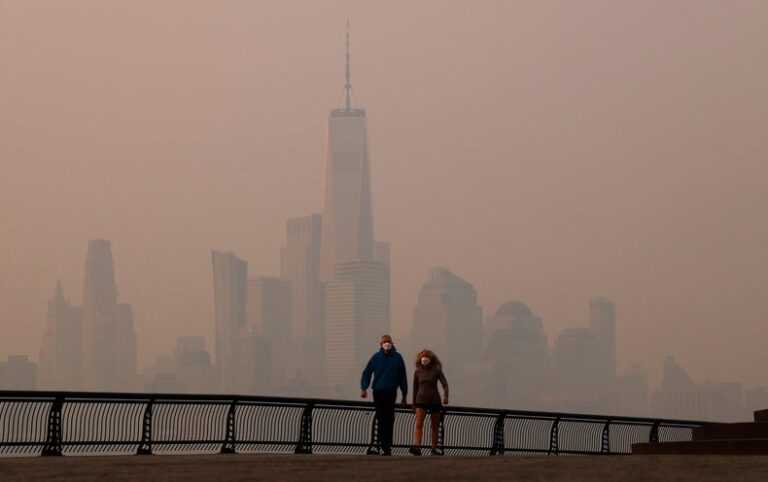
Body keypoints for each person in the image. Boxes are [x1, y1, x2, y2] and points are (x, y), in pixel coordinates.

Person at [361, 334, 408, 456]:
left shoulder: (398, 358)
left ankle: (386, 446)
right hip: (378, 392)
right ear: (381, 345)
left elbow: (403, 377)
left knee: (389, 419)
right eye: (385, 342)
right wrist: (364, 388)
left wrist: (404, 394)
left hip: (391, 392)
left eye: (389, 342)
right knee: (381, 419)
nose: (387, 344)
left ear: (392, 344)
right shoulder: (376, 358)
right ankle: (381, 445)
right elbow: (367, 373)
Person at [409, 349, 449, 456]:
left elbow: (445, 384)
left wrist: (446, 396)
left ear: (431, 360)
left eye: (426, 358)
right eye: (423, 358)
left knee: (434, 426)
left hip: (435, 401)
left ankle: (434, 449)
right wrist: (413, 405)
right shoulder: (417, 372)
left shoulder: (436, 371)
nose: (424, 360)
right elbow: (415, 388)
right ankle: (417, 447)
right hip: (420, 401)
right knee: (419, 424)